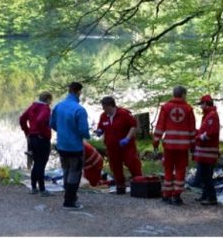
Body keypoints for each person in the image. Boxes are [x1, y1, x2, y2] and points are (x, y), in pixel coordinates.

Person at [152, 86, 196, 205]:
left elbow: (160, 126)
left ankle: (166, 195)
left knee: (168, 169)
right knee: (180, 170)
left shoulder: (165, 107)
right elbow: (192, 129)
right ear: (183, 95)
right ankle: (176, 196)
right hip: (183, 147)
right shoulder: (188, 109)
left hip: (169, 146)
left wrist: (155, 142)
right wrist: (193, 146)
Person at [50, 82, 90, 210]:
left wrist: (62, 131)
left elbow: (52, 124)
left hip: (61, 145)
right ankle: (69, 201)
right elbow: (83, 130)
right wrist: (88, 136)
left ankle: (68, 196)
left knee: (66, 170)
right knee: (75, 172)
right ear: (79, 92)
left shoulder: (58, 106)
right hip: (75, 146)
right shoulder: (79, 109)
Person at [95, 96, 142, 195]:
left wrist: (127, 138)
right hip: (112, 147)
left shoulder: (124, 114)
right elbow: (101, 127)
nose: (103, 109)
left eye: (104, 107)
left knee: (132, 162)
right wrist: (99, 131)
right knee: (115, 166)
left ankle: (139, 182)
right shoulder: (103, 116)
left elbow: (133, 126)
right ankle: (120, 185)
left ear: (110, 106)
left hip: (126, 145)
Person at [19, 91, 53, 197]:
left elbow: (22, 119)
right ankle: (42, 189)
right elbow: (40, 120)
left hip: (32, 138)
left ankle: (34, 187)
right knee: (41, 164)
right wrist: (40, 131)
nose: (50, 103)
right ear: (47, 99)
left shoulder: (33, 106)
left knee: (36, 162)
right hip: (42, 139)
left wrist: (28, 131)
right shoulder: (45, 108)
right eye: (50, 100)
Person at [193, 94, 220, 206]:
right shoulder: (208, 115)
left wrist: (199, 137)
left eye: (202, 104)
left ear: (206, 104)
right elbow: (205, 131)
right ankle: (205, 195)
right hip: (204, 152)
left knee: (207, 176)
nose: (201, 107)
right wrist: (197, 132)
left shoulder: (212, 116)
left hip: (208, 153)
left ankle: (212, 198)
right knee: (204, 175)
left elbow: (211, 133)